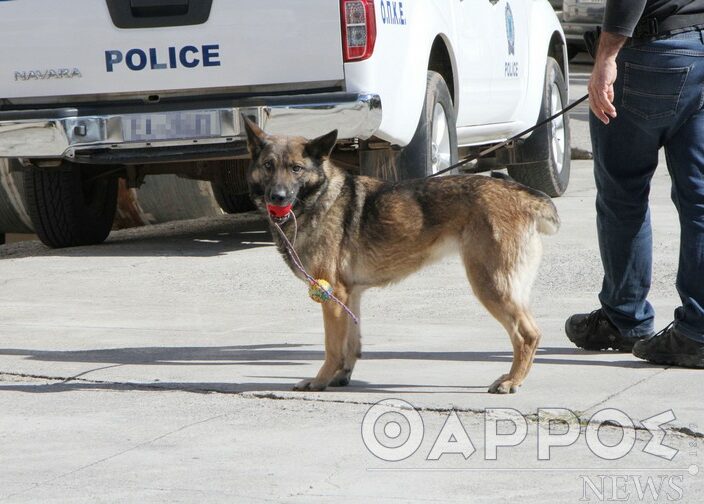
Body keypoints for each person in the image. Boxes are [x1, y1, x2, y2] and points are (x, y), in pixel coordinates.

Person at [565, 0, 704, 368]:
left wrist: (607, 56)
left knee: (623, 193)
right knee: (700, 199)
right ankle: (697, 332)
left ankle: (625, 318)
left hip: (653, 52)